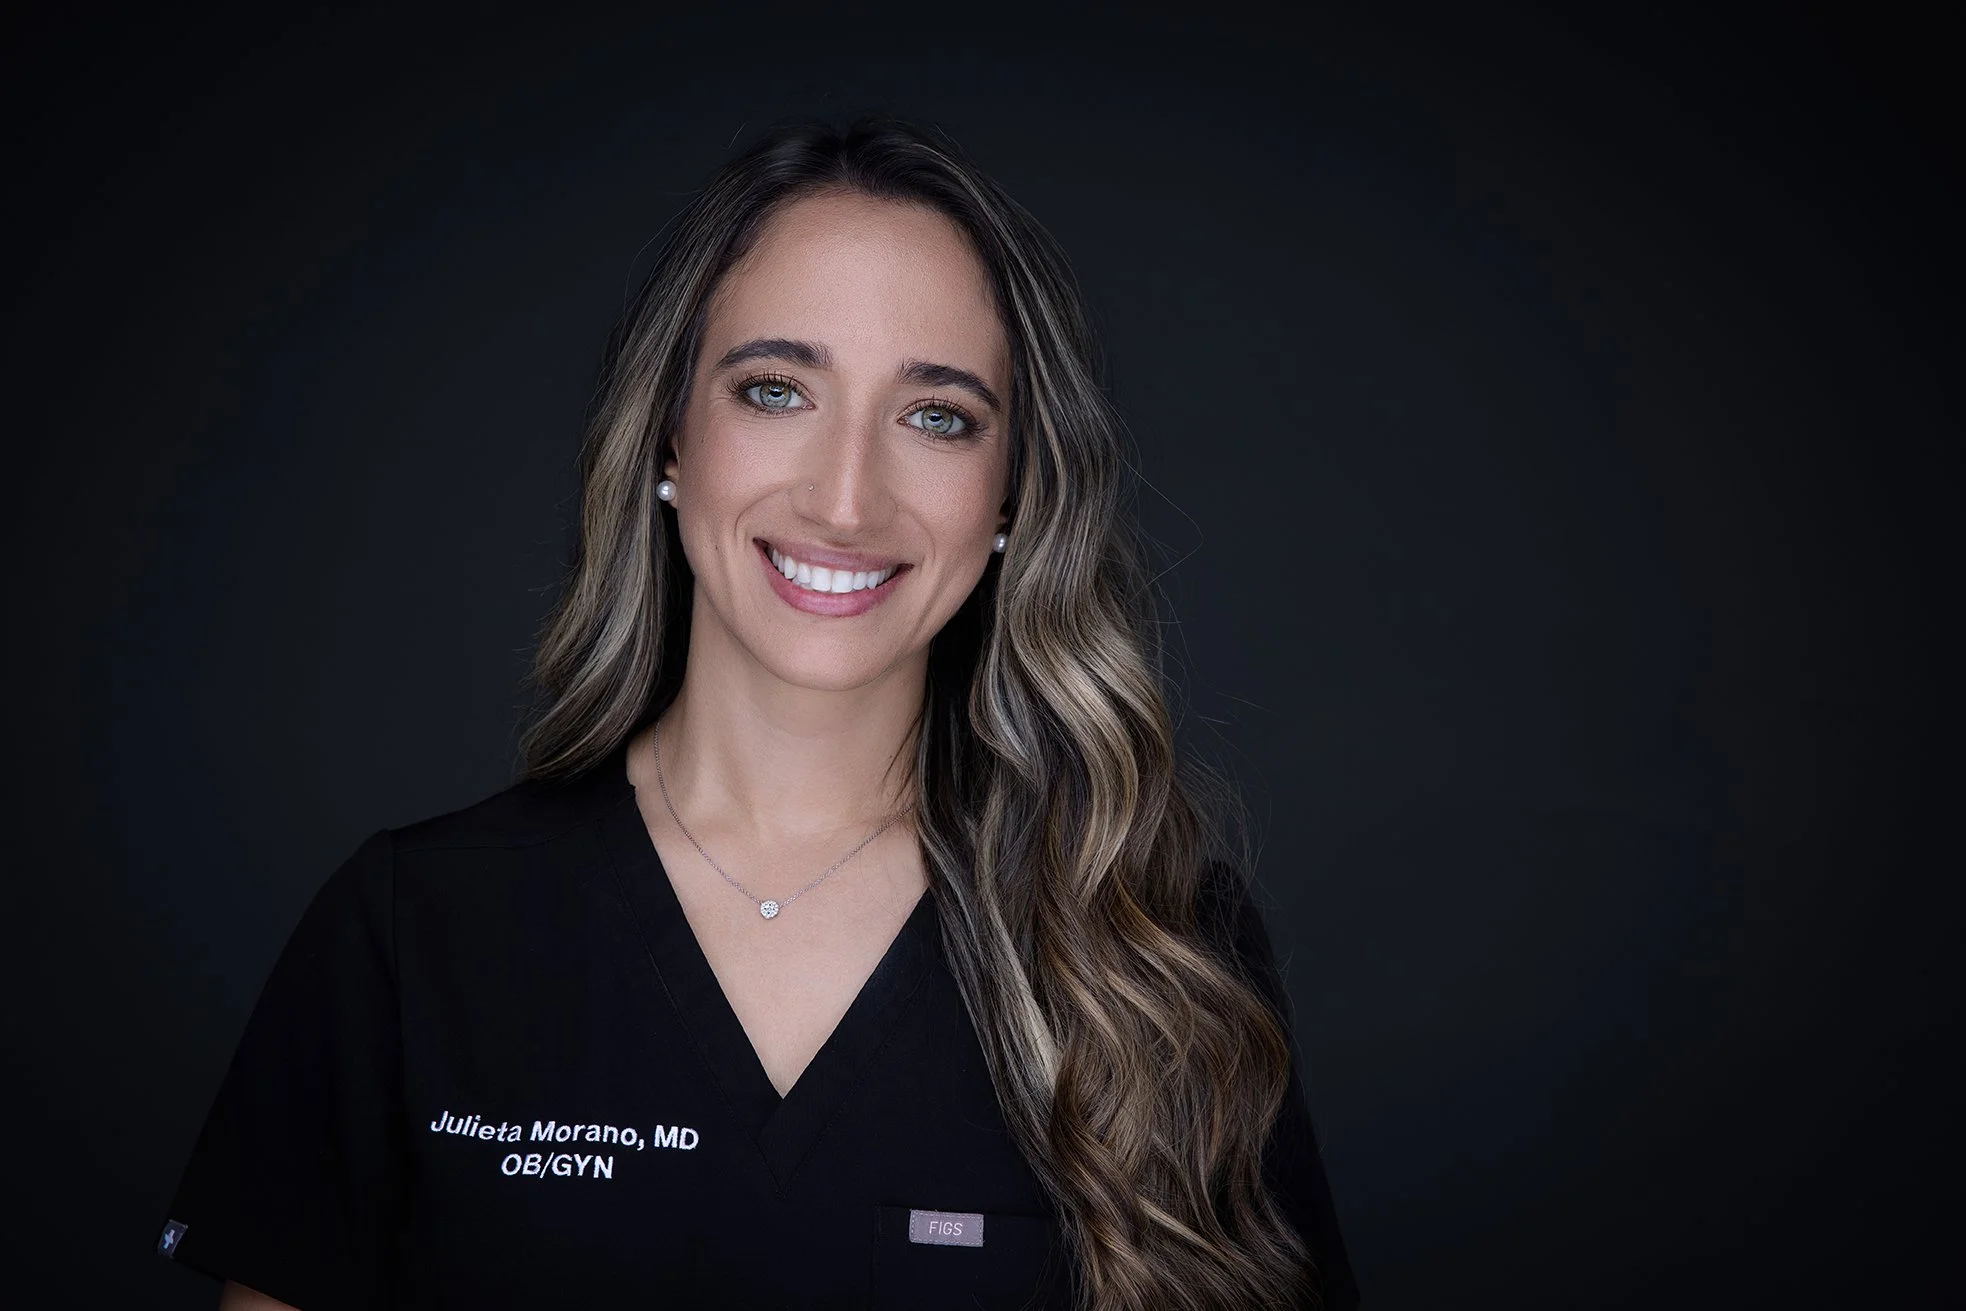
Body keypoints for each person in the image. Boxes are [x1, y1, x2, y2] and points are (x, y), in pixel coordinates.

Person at [156, 115, 1361, 1311]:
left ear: (1011, 495)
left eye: (937, 415)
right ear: (672, 437)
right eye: (776, 390)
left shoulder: (1152, 947)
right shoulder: (411, 935)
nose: (845, 498)